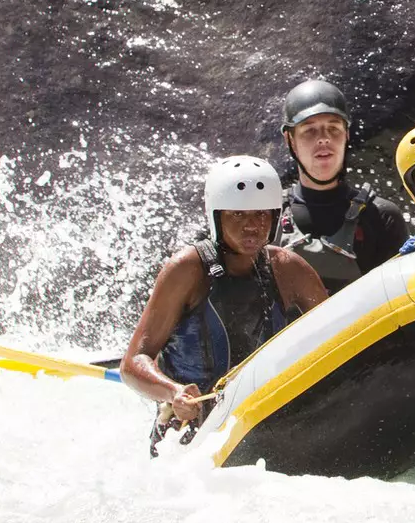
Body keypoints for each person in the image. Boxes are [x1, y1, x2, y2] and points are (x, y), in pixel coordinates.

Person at [119, 155, 328, 450]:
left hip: (265, 428)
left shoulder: (289, 268)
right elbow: (132, 363)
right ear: (217, 216)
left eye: (261, 215)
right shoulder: (186, 269)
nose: (252, 226)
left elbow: (335, 335)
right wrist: (172, 392)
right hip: (189, 433)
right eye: (238, 215)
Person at [274, 77, 408, 290]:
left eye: (333, 128)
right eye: (309, 130)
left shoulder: (381, 217)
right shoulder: (269, 217)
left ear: (346, 134)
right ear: (289, 139)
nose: (323, 139)